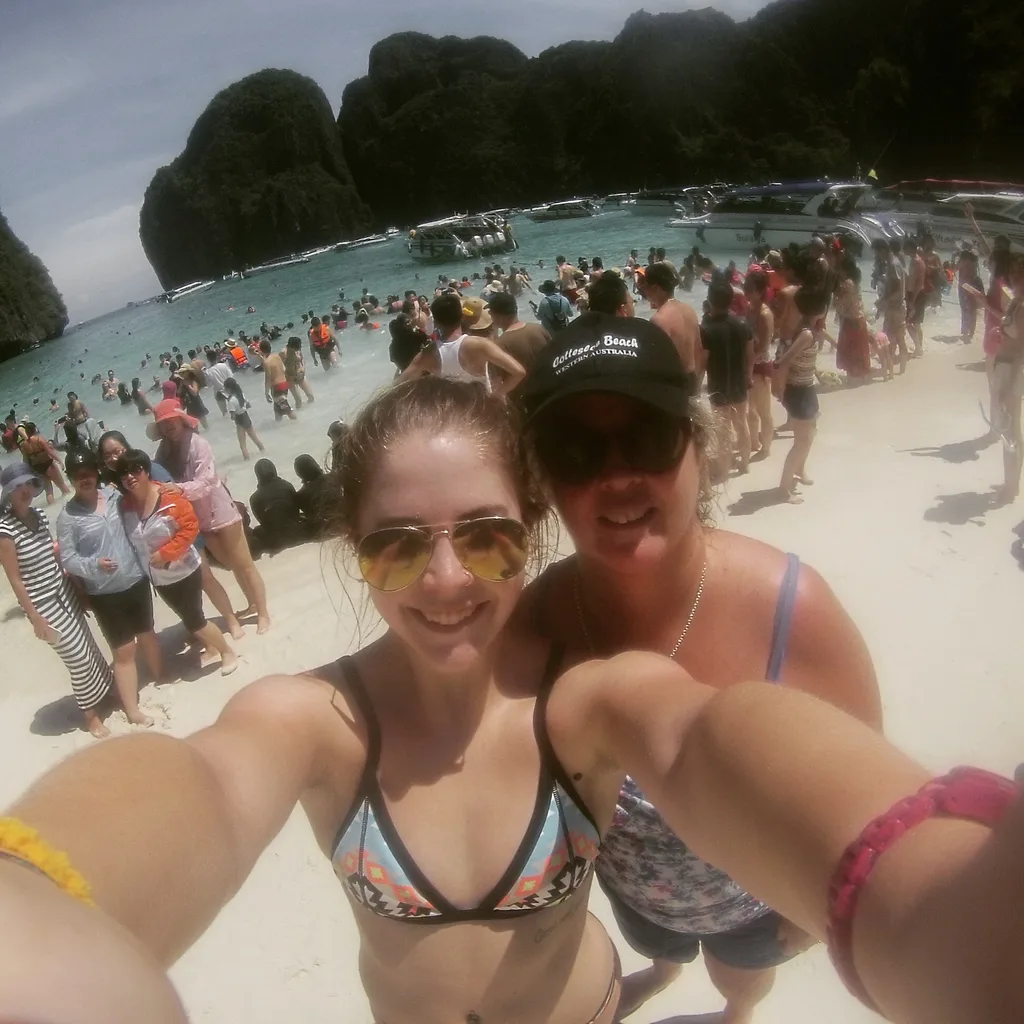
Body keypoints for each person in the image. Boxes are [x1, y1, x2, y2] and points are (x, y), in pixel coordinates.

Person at [517, 316, 881, 1021]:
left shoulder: (790, 610)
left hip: (758, 902)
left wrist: (822, 908)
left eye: (649, 440)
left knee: (739, 980)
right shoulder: (538, 623)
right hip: (637, 897)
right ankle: (663, 967)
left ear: (697, 445)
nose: (617, 477)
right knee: (663, 948)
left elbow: (868, 807)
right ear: (547, 482)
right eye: (575, 452)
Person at [97, 429, 244, 641]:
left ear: (126, 447)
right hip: (154, 542)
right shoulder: (115, 480)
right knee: (183, 592)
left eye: (116, 451)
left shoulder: (145, 468)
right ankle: (201, 629)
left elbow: (175, 496)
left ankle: (231, 620)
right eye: (107, 455)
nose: (112, 458)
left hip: (179, 531)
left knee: (205, 578)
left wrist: (180, 536)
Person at [0, 462, 113, 737]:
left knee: (89, 646)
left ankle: (106, 693)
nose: (25, 490)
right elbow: (15, 580)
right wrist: (35, 618)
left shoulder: (39, 515)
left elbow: (54, 553)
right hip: (43, 604)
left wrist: (79, 587)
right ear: (8, 493)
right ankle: (90, 716)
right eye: (18, 486)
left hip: (64, 590)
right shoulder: (4, 530)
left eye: (28, 483)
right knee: (77, 659)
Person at [56, 449, 161, 727]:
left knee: (147, 633)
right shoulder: (67, 517)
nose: (84, 478)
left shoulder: (117, 497)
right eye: (77, 475)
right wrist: (94, 565)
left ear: (97, 471)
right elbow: (68, 558)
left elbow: (149, 494)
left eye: (88, 472)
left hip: (135, 579)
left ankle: (161, 675)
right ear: (69, 479)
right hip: (104, 593)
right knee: (124, 651)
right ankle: (133, 710)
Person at [149, 400, 270, 634]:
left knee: (244, 564)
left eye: (170, 422)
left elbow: (206, 481)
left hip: (220, 510)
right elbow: (156, 477)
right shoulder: (164, 451)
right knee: (230, 564)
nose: (167, 428)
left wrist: (179, 489)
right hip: (198, 518)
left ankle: (263, 613)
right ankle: (252, 604)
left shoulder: (198, 444)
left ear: (181, 419)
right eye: (162, 425)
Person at [114, 449, 237, 676]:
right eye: (124, 473)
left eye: (135, 470)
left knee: (194, 621)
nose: (130, 476)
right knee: (188, 616)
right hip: (158, 579)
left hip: (184, 570)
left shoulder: (169, 498)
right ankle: (212, 646)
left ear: (146, 470)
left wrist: (166, 554)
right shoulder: (126, 506)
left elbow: (190, 528)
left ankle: (226, 651)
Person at [398, 293, 526, 395]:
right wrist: (496, 395)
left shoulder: (428, 354)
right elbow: (519, 372)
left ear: (436, 322)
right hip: (482, 411)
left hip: (454, 416)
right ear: (461, 317)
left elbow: (399, 386)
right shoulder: (480, 345)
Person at [700, 279, 754, 479]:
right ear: (731, 300)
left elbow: (703, 362)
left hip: (718, 385)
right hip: (740, 382)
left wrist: (696, 384)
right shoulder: (742, 323)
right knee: (742, 423)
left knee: (722, 429)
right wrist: (749, 376)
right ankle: (745, 464)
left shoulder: (706, 329)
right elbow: (750, 354)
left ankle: (723, 470)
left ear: (710, 301)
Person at [774, 288, 822, 503]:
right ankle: (784, 490)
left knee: (811, 433)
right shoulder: (806, 334)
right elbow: (784, 360)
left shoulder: (807, 329)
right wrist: (780, 390)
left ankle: (800, 470)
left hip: (806, 388)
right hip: (799, 391)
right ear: (819, 309)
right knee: (801, 442)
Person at [990, 253, 1024, 503]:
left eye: (1019, 273)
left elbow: (1022, 349)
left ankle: (1011, 487)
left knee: (1010, 430)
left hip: (1013, 369)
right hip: (1006, 366)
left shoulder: (1022, 305)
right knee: (1008, 428)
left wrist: (1012, 385)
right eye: (1012, 273)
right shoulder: (1017, 301)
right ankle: (1011, 483)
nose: (1014, 277)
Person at [644, 261, 700, 374]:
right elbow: (699, 352)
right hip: (691, 380)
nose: (644, 291)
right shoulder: (689, 310)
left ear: (655, 288)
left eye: (644, 285)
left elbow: (656, 362)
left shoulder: (659, 319)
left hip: (674, 383)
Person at [743, 269, 775, 458]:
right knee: (750, 409)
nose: (746, 292)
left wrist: (748, 364)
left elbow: (764, 347)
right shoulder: (750, 308)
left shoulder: (764, 314)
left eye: (750, 289)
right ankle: (754, 440)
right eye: (745, 288)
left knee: (764, 411)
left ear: (760, 290)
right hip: (750, 363)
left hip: (760, 366)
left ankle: (766, 448)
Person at [248, 460, 309, 555]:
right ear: (274, 470)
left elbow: (262, 522)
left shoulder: (254, 498)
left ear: (258, 476)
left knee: (256, 531)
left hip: (275, 542)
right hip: (298, 533)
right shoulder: (287, 486)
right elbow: (296, 510)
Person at [486, 292, 549, 382]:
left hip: (525, 395)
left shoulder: (500, 345)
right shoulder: (539, 328)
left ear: (498, 315)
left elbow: (497, 383)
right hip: (550, 387)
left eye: (490, 313)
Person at [834, 261, 873, 382]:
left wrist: (836, 298)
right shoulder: (855, 283)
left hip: (851, 319)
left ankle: (853, 376)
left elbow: (842, 304)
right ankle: (859, 375)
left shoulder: (847, 284)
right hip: (859, 318)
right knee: (859, 349)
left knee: (850, 348)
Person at [18, 423, 70, 504]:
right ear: (35, 429)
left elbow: (25, 460)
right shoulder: (39, 439)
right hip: (48, 465)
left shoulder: (24, 445)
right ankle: (68, 503)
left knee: (49, 492)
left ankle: (52, 509)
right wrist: (60, 461)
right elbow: (50, 452)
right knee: (62, 485)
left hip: (38, 469)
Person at [222, 377, 265, 461]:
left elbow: (233, 416)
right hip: (246, 416)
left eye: (225, 388)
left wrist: (231, 417)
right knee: (255, 438)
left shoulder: (231, 401)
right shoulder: (240, 394)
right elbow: (248, 405)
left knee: (243, 445)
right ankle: (263, 451)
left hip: (239, 421)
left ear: (229, 389)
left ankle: (247, 460)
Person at [259, 339, 296, 422]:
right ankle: (278, 428)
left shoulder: (266, 362)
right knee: (277, 410)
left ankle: (298, 424)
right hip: (284, 384)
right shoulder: (276, 356)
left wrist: (266, 392)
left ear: (261, 350)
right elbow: (284, 368)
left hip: (277, 387)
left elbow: (268, 378)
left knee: (287, 409)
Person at [957, 249, 984, 344]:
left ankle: (969, 332)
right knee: (966, 309)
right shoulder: (969, 262)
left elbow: (971, 277)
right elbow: (954, 269)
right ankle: (966, 331)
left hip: (969, 287)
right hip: (963, 287)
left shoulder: (971, 263)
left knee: (970, 310)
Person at [905, 240, 927, 357]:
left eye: (906, 247)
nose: (904, 249)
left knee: (908, 323)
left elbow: (918, 283)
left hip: (916, 294)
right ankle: (919, 348)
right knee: (915, 323)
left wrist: (912, 300)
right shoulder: (915, 260)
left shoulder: (917, 261)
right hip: (916, 294)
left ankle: (918, 348)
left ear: (910, 248)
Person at [293, 454, 327, 529]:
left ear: (299, 474)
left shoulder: (300, 495)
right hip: (341, 521)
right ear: (316, 465)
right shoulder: (334, 478)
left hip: (320, 528)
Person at [283, 337, 315, 407]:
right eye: (298, 346)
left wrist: (303, 368)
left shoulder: (298, 349)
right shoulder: (283, 353)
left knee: (311, 396)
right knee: (298, 400)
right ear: (291, 346)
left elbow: (302, 359)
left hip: (301, 375)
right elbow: (280, 367)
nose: (300, 347)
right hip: (290, 378)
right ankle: (299, 416)